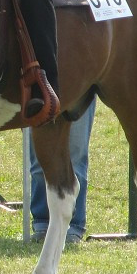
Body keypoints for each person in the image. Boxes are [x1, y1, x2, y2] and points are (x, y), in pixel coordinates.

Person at [27, 96, 95, 244]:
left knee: (76, 158)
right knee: (39, 162)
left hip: (81, 83)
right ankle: (42, 222)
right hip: (41, 84)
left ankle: (74, 225)